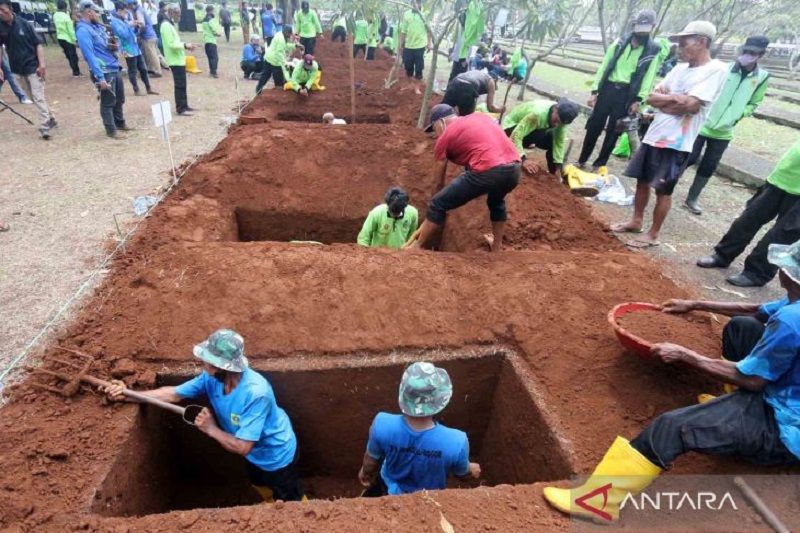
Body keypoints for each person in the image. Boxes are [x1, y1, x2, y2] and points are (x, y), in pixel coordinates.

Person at [543, 239, 800, 521]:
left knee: (671, 426)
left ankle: (597, 502)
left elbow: (752, 380)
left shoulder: (791, 320)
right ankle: (730, 404)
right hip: (791, 392)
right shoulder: (793, 306)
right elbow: (757, 311)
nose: (781, 271)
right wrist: (695, 304)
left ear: (789, 275)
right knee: (742, 328)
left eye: (785, 267)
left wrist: (685, 355)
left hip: (784, 427)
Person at [103, 329, 305, 502]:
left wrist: (211, 429)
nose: (202, 363)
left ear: (223, 367)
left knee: (287, 496)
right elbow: (173, 394)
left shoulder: (255, 393)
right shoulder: (211, 379)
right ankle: (271, 504)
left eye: (208, 361)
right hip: (255, 455)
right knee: (258, 482)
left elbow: (243, 447)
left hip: (276, 456)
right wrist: (128, 395)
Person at [611, 20, 727, 248]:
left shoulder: (716, 70)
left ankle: (653, 234)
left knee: (663, 189)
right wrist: (676, 99)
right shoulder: (678, 69)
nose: (679, 48)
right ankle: (635, 220)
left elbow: (692, 105)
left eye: (684, 43)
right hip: (655, 134)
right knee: (642, 181)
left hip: (676, 142)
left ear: (702, 42)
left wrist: (671, 100)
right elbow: (653, 98)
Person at [404, 104, 521, 253]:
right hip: (514, 169)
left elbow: (438, 182)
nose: (436, 135)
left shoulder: (444, 138)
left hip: (488, 169)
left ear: (441, 122)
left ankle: (416, 247)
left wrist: (434, 206)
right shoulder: (479, 117)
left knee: (438, 203)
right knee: (496, 201)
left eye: (434, 129)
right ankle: (497, 246)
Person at [358, 362, 481, 496]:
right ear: (440, 401)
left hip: (389, 488)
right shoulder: (456, 442)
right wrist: (471, 469)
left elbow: (370, 462)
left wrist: (365, 474)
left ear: (403, 395)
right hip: (427, 499)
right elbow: (462, 475)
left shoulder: (382, 424)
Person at [683, 35, 770, 215]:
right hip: (704, 123)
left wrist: (738, 115)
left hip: (724, 131)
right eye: (746, 51)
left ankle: (692, 198)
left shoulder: (761, 77)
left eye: (753, 53)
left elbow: (755, 102)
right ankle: (667, 185)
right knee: (688, 157)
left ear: (760, 54)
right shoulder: (725, 69)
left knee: (709, 165)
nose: (748, 55)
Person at [696, 139, 800, 288]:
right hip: (780, 179)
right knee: (747, 220)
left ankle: (756, 273)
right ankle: (722, 255)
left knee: (780, 236)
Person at [577, 9, 662, 171]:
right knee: (594, 126)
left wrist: (639, 100)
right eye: (639, 29)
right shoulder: (620, 42)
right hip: (608, 89)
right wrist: (595, 91)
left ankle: (599, 164)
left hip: (626, 94)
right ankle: (582, 160)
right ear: (634, 26)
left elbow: (648, 77)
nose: (641, 34)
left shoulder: (653, 51)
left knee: (613, 132)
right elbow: (604, 66)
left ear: (652, 28)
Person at [0, 0, 56, 139]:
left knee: (38, 96)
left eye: (3, 10)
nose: (1, 13)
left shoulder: (25, 24)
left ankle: (44, 126)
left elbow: (38, 45)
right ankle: (51, 118)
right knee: (33, 97)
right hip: (16, 69)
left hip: (33, 67)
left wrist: (42, 65)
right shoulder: (0, 27)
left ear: (10, 9)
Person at [76, 1, 129, 138]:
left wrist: (113, 46)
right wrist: (99, 77)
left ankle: (120, 123)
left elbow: (104, 45)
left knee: (119, 99)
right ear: (89, 12)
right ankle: (111, 131)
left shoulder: (96, 27)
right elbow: (89, 55)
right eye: (96, 12)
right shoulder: (83, 30)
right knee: (108, 101)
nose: (98, 15)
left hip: (113, 66)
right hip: (104, 71)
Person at [501, 98, 580, 181]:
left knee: (552, 139)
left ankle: (553, 173)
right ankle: (514, 156)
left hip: (531, 129)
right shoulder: (537, 114)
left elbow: (558, 143)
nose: (557, 125)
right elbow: (516, 135)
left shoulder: (561, 119)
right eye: (556, 120)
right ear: (555, 109)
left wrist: (558, 167)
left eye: (561, 123)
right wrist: (523, 159)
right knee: (541, 132)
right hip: (510, 129)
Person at [110, 2, 156, 96]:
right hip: (127, 49)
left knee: (143, 68)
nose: (126, 13)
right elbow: (123, 35)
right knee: (133, 70)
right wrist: (129, 25)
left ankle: (148, 88)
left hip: (135, 47)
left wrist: (135, 26)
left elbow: (132, 33)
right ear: (118, 11)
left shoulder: (124, 20)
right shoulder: (114, 22)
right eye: (124, 12)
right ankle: (136, 89)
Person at [161, 3, 196, 115]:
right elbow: (171, 44)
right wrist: (185, 45)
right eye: (178, 14)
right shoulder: (165, 25)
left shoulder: (170, 24)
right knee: (179, 84)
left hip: (179, 59)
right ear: (172, 13)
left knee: (183, 84)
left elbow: (176, 42)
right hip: (174, 61)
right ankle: (180, 108)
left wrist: (186, 45)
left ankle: (185, 105)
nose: (179, 17)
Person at [398, 0, 431, 94]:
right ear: (412, 3)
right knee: (408, 66)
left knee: (419, 68)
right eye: (415, 2)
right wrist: (401, 45)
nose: (417, 4)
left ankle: (417, 88)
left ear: (421, 3)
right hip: (408, 46)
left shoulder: (425, 14)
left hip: (420, 46)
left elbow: (429, 30)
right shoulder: (406, 14)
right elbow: (403, 31)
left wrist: (429, 43)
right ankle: (409, 84)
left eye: (419, 2)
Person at [255, 25, 295, 93]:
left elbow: (284, 46)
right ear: (286, 32)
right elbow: (279, 53)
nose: (290, 35)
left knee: (265, 75)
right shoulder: (281, 39)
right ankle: (278, 93)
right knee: (278, 78)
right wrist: (284, 64)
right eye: (290, 34)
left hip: (268, 58)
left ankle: (258, 88)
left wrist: (294, 46)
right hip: (275, 61)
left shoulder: (279, 34)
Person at [129, 0, 161, 78]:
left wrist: (138, 33)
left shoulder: (138, 11)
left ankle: (157, 72)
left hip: (147, 36)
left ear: (131, 5)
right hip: (151, 35)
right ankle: (152, 70)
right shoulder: (140, 9)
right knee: (151, 54)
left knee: (152, 55)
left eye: (128, 6)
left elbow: (142, 24)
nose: (127, 8)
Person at [54, 0, 81, 77]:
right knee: (73, 56)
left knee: (69, 56)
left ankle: (74, 71)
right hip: (68, 39)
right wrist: (75, 40)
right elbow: (70, 30)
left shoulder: (55, 15)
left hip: (60, 38)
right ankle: (76, 73)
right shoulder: (66, 17)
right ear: (65, 7)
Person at [201, 5, 221, 78]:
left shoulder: (204, 20)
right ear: (211, 10)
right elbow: (214, 30)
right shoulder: (211, 19)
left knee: (210, 57)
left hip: (206, 41)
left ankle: (211, 71)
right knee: (215, 58)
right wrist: (218, 34)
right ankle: (214, 72)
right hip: (211, 41)